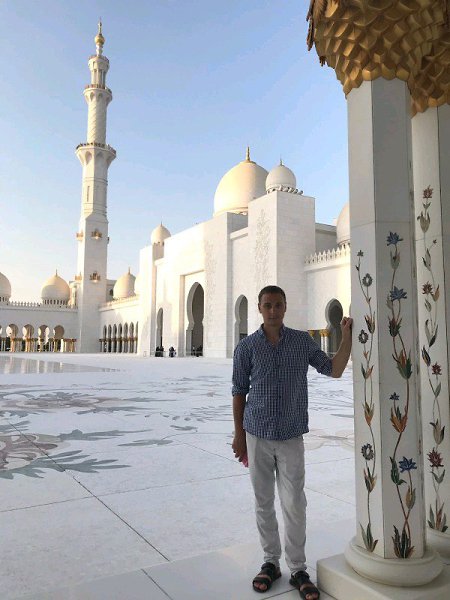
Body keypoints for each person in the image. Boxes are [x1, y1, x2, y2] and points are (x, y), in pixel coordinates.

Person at [232, 285, 352, 599]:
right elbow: (238, 391)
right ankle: (270, 562)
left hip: (290, 435)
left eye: (278, 305)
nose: (273, 310)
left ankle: (298, 567)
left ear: (285, 307)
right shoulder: (246, 347)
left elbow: (334, 369)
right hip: (256, 433)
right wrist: (239, 435)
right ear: (259, 308)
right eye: (267, 305)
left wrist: (346, 336)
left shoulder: (301, 342)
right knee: (263, 502)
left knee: (295, 503)